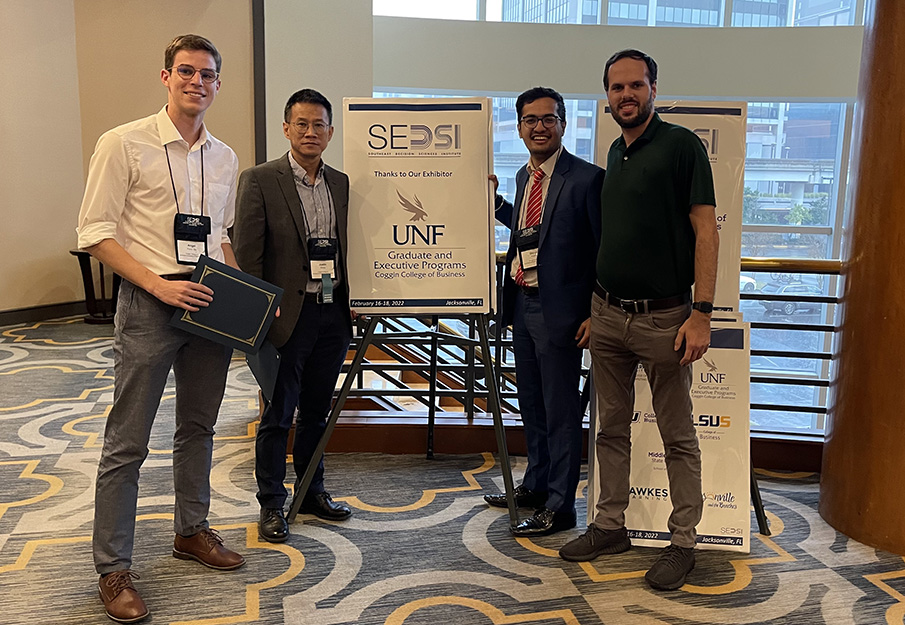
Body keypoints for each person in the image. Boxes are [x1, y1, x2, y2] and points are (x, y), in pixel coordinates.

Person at [76, 34, 245, 623]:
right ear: (166, 77)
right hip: (152, 300)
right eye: (186, 71)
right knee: (128, 441)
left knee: (198, 427)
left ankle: (191, 530)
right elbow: (95, 233)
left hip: (210, 302)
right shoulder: (122, 143)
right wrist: (156, 284)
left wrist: (244, 294)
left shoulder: (225, 156)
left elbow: (220, 235)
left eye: (208, 74)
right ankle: (112, 567)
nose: (197, 81)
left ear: (218, 84)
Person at [559, 49, 719, 591]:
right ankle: (610, 526)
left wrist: (702, 313)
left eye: (636, 85)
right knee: (609, 429)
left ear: (653, 88)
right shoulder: (615, 150)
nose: (626, 95)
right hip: (606, 316)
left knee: (677, 436)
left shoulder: (681, 147)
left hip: (665, 319)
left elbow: (706, 232)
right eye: (616, 87)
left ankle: (683, 542)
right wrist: (591, 310)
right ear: (606, 96)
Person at [234, 89, 353, 544]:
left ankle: (311, 491)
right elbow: (248, 254)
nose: (310, 132)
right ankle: (271, 503)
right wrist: (265, 308)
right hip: (287, 315)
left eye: (318, 125)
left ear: (330, 132)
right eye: (301, 124)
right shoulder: (261, 179)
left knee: (317, 414)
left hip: (332, 313)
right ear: (286, 128)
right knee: (278, 415)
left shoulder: (341, 182)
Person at [484, 87, 604, 537]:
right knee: (531, 405)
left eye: (548, 119)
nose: (539, 126)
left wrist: (595, 311)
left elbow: (601, 252)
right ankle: (535, 485)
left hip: (563, 314)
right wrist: (497, 205)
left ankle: (561, 504)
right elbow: (532, 227)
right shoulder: (523, 176)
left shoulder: (588, 179)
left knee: (560, 412)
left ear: (563, 124)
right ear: (518, 127)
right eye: (530, 119)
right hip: (521, 303)